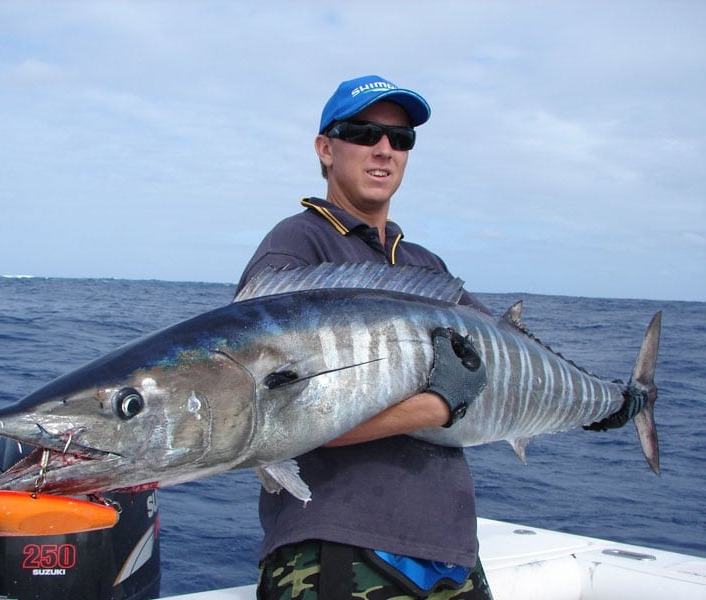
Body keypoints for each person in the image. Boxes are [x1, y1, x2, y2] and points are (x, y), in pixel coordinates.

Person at [237, 75, 643, 600]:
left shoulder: (423, 264)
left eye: (400, 139)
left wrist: (598, 403)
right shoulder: (297, 247)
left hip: (450, 551)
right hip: (338, 547)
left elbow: (495, 366)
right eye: (362, 133)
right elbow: (276, 413)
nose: (384, 149)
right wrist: (437, 404)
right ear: (325, 148)